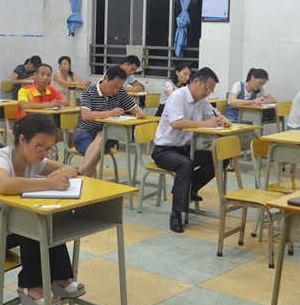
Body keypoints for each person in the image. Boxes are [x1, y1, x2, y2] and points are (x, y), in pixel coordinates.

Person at [0, 114, 83, 305]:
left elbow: (71, 168)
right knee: (29, 218)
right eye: (40, 146)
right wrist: (49, 183)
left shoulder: (34, 160)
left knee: (45, 219)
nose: (44, 153)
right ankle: (29, 286)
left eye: (49, 148)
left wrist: (62, 174)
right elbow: (5, 185)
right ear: (22, 140)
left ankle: (61, 278)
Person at [152, 67, 231, 233]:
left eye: (211, 91)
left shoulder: (202, 101)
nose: (207, 93)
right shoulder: (177, 96)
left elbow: (213, 114)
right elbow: (176, 123)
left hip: (187, 148)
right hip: (164, 150)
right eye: (207, 89)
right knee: (185, 164)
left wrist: (222, 118)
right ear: (196, 81)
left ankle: (188, 188)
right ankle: (176, 214)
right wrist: (205, 124)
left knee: (221, 159)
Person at [73, 65, 145, 177]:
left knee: (102, 135)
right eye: (114, 86)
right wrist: (109, 113)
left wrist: (140, 112)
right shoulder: (89, 92)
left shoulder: (121, 92)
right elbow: (85, 116)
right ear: (105, 78)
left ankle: (81, 173)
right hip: (85, 132)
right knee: (96, 152)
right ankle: (84, 177)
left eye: (119, 88)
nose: (115, 91)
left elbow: (135, 108)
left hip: (109, 135)